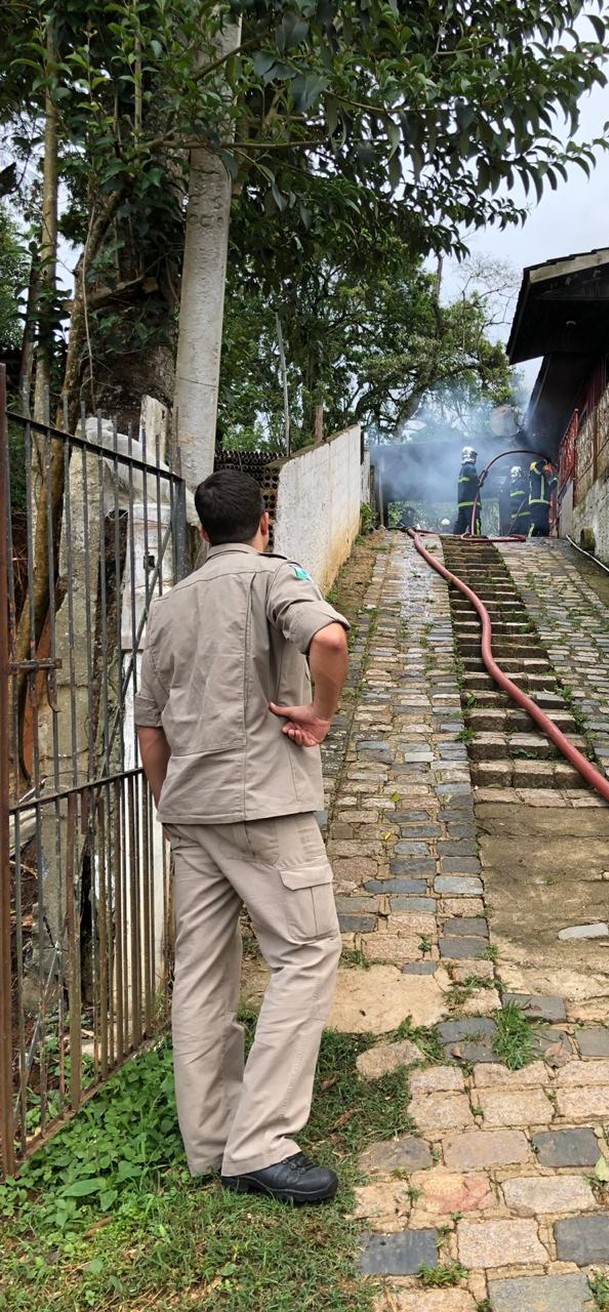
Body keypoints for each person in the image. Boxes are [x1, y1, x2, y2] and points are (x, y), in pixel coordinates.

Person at [134, 469, 349, 1205]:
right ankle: (259, 1145)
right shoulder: (272, 576)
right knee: (308, 951)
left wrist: (175, 806)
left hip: (192, 812)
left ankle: (211, 1140)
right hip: (265, 808)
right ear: (266, 521)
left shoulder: (167, 607)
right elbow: (327, 637)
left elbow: (150, 728)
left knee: (200, 973)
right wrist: (320, 716)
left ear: (200, 532)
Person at [454, 446, 481, 534]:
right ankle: (477, 541)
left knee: (461, 524)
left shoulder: (462, 469)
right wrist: (480, 481)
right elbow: (476, 481)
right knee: (474, 523)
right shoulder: (470, 467)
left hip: (463, 503)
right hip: (471, 503)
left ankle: (455, 539)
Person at [527, 456, 555, 537]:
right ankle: (530, 542)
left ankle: (544, 542)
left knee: (544, 526)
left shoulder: (543, 478)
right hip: (536, 503)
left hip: (544, 504)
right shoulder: (534, 473)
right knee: (535, 524)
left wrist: (555, 480)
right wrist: (546, 460)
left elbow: (548, 489)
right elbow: (538, 466)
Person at [507, 464, 530, 537]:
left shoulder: (511, 485)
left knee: (516, 530)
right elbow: (528, 492)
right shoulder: (522, 482)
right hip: (524, 510)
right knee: (525, 530)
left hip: (515, 511)